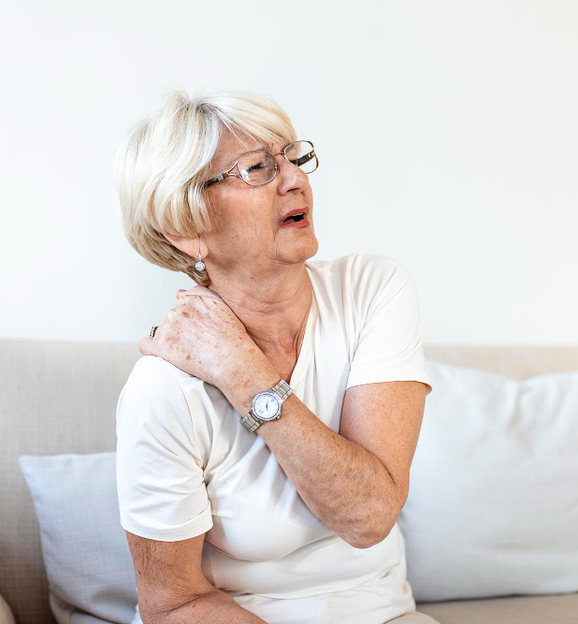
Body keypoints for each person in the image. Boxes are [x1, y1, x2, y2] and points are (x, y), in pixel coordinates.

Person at [113, 87, 437, 624]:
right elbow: (172, 604)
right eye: (257, 168)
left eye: (292, 157)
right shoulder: (162, 390)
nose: (295, 180)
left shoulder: (372, 290)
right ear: (187, 229)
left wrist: (242, 371)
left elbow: (369, 516)